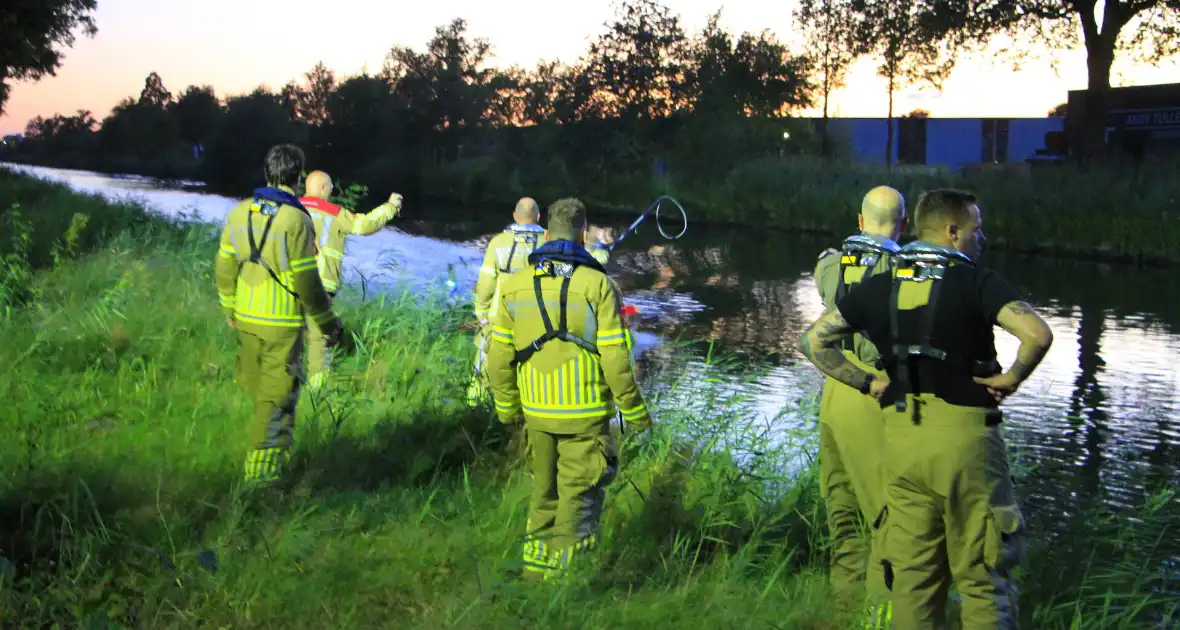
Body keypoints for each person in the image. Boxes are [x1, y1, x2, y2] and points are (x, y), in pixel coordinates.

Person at [799, 189, 1053, 629]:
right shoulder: (977, 281)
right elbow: (1036, 334)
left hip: (902, 441)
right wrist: (1011, 379)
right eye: (976, 228)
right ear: (952, 231)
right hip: (965, 442)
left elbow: (813, 340)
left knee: (914, 580)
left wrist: (869, 382)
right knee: (983, 578)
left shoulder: (878, 282)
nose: (982, 237)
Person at [485, 197, 652, 579]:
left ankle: (534, 578)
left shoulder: (514, 286)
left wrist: (508, 408)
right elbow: (615, 359)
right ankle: (566, 589)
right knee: (578, 503)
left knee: (543, 498)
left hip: (537, 415)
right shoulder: (600, 286)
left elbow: (497, 359)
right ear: (583, 234)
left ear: (546, 234)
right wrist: (636, 412)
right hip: (586, 417)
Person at [214, 144, 342, 485]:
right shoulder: (295, 219)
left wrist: (230, 308)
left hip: (245, 317)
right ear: (297, 177)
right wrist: (328, 323)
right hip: (281, 324)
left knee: (258, 390)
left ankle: (256, 461)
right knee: (278, 398)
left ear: (266, 171)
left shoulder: (239, 212)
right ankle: (261, 482)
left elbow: (224, 266)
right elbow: (307, 281)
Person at [812, 186, 907, 625]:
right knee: (887, 521)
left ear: (860, 219)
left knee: (843, 512)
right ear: (903, 225)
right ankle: (879, 617)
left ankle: (843, 609)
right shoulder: (906, 271)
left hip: (835, 388)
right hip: (875, 393)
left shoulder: (831, 266)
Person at [299, 170, 403, 388]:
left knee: (288, 332)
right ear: (322, 189)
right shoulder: (333, 213)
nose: (331, 192)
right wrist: (390, 207)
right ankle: (317, 391)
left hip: (289, 282)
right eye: (329, 188)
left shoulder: (291, 208)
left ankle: (282, 382)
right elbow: (366, 225)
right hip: (320, 285)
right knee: (319, 338)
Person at [467, 197, 546, 406]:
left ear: (514, 216)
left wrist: (481, 313)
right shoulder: (549, 243)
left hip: (499, 319)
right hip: (536, 322)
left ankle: (475, 411)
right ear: (538, 217)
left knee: (483, 371)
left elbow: (485, 283)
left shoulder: (499, 242)